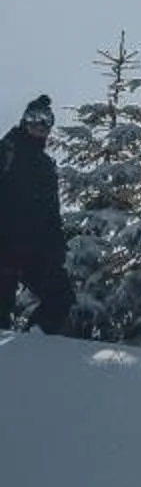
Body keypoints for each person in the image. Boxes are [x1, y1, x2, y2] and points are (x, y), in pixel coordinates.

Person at [0, 94, 74, 337]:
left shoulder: (46, 166)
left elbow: (52, 213)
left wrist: (56, 248)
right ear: (23, 120)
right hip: (4, 246)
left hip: (35, 249)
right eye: (33, 118)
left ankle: (32, 346)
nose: (39, 125)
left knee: (61, 297)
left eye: (46, 121)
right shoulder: (6, 152)